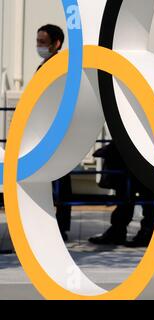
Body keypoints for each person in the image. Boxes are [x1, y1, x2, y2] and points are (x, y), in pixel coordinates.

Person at [36, 24, 72, 242]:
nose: (38, 46)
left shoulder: (59, 66)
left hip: (56, 132)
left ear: (56, 43)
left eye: (43, 42)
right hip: (44, 130)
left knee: (61, 180)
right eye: (37, 41)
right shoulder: (45, 65)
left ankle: (61, 225)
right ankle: (49, 223)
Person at [88, 143, 154, 247]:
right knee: (129, 199)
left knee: (143, 200)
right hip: (136, 170)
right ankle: (123, 231)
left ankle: (142, 232)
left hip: (142, 169)